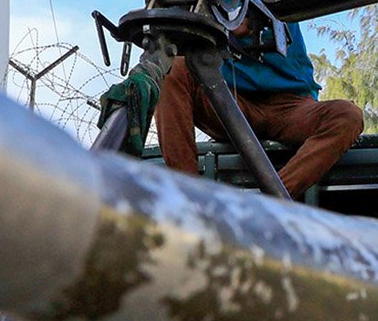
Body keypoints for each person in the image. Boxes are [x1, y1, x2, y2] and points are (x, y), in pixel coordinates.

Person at [153, 20, 364, 200]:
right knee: (172, 69)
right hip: (229, 101)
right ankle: (189, 200)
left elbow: (244, 24)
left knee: (347, 116)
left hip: (291, 106)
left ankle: (270, 202)